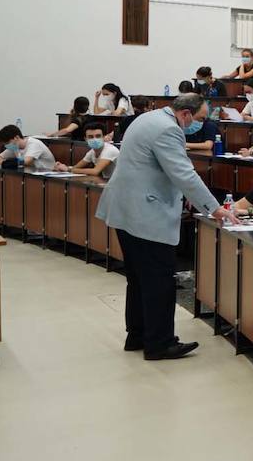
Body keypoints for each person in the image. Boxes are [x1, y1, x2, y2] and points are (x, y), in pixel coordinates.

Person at [97, 93, 235, 360]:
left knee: (137, 278)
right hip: (145, 214)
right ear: (185, 114)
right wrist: (214, 208)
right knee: (159, 280)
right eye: (200, 119)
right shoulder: (169, 130)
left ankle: (137, 335)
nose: (199, 125)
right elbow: (183, 173)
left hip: (125, 209)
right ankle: (160, 343)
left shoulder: (148, 118)